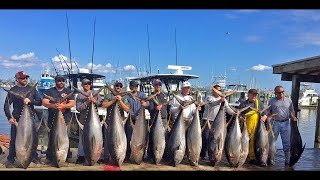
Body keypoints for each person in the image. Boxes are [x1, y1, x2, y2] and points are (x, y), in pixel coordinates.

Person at [3, 71, 42, 168]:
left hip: (30, 119)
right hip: (16, 119)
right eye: (22, 78)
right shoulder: (13, 90)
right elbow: (6, 106)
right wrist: (9, 117)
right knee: (13, 140)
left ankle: (34, 156)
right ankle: (11, 159)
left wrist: (30, 101)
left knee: (33, 139)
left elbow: (40, 102)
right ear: (17, 79)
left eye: (26, 78)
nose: (25, 80)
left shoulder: (32, 89)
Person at [42, 75, 75, 164]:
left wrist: (63, 106)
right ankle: (49, 157)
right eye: (59, 80)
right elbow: (44, 102)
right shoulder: (49, 91)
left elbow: (72, 103)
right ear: (55, 81)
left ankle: (67, 156)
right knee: (52, 138)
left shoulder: (68, 91)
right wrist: (53, 105)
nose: (61, 82)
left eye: (62, 80)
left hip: (65, 119)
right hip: (52, 119)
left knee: (65, 138)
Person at [200, 84, 234, 160]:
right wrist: (219, 101)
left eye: (220, 91)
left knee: (215, 139)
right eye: (217, 90)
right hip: (208, 121)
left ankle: (214, 154)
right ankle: (204, 154)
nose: (219, 92)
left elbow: (228, 109)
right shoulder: (209, 97)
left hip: (218, 123)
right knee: (206, 137)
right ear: (213, 91)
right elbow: (212, 104)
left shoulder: (224, 100)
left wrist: (235, 113)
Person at [267, 85, 298, 165]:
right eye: (279, 92)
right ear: (275, 93)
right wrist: (268, 117)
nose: (281, 93)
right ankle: (272, 160)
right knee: (272, 142)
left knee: (286, 142)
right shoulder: (271, 101)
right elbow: (267, 112)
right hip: (275, 122)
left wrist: (293, 117)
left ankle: (287, 160)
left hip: (286, 122)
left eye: (282, 92)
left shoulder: (289, 100)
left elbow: (292, 111)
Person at [75, 78, 104, 164]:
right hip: (84, 121)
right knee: (82, 139)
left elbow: (100, 103)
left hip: (95, 121)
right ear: (82, 85)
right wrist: (87, 102)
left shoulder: (95, 94)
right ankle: (81, 156)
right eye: (85, 84)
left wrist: (94, 101)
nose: (87, 85)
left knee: (98, 138)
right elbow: (78, 108)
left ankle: (99, 156)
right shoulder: (79, 96)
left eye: (88, 84)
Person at [101, 80, 129, 163]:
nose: (118, 87)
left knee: (120, 140)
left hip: (120, 123)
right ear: (114, 86)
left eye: (120, 86)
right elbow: (103, 105)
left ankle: (120, 155)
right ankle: (106, 157)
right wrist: (113, 100)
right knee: (107, 140)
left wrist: (120, 101)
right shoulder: (109, 95)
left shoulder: (123, 97)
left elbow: (127, 109)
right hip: (109, 121)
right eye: (117, 86)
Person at [238, 88, 267, 166]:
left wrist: (264, 117)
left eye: (255, 95)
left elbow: (265, 113)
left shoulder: (259, 104)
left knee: (255, 143)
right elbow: (239, 115)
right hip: (245, 126)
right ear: (248, 95)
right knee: (244, 142)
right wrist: (241, 118)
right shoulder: (243, 104)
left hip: (256, 127)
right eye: (253, 94)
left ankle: (252, 158)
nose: (254, 96)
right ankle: (243, 157)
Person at [124, 80, 149, 160]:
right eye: (133, 86)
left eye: (136, 86)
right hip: (131, 119)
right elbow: (126, 107)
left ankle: (142, 155)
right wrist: (133, 114)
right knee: (129, 137)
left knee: (143, 138)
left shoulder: (142, 95)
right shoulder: (127, 96)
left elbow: (148, 103)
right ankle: (128, 154)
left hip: (141, 120)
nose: (135, 88)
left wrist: (145, 104)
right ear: (130, 87)